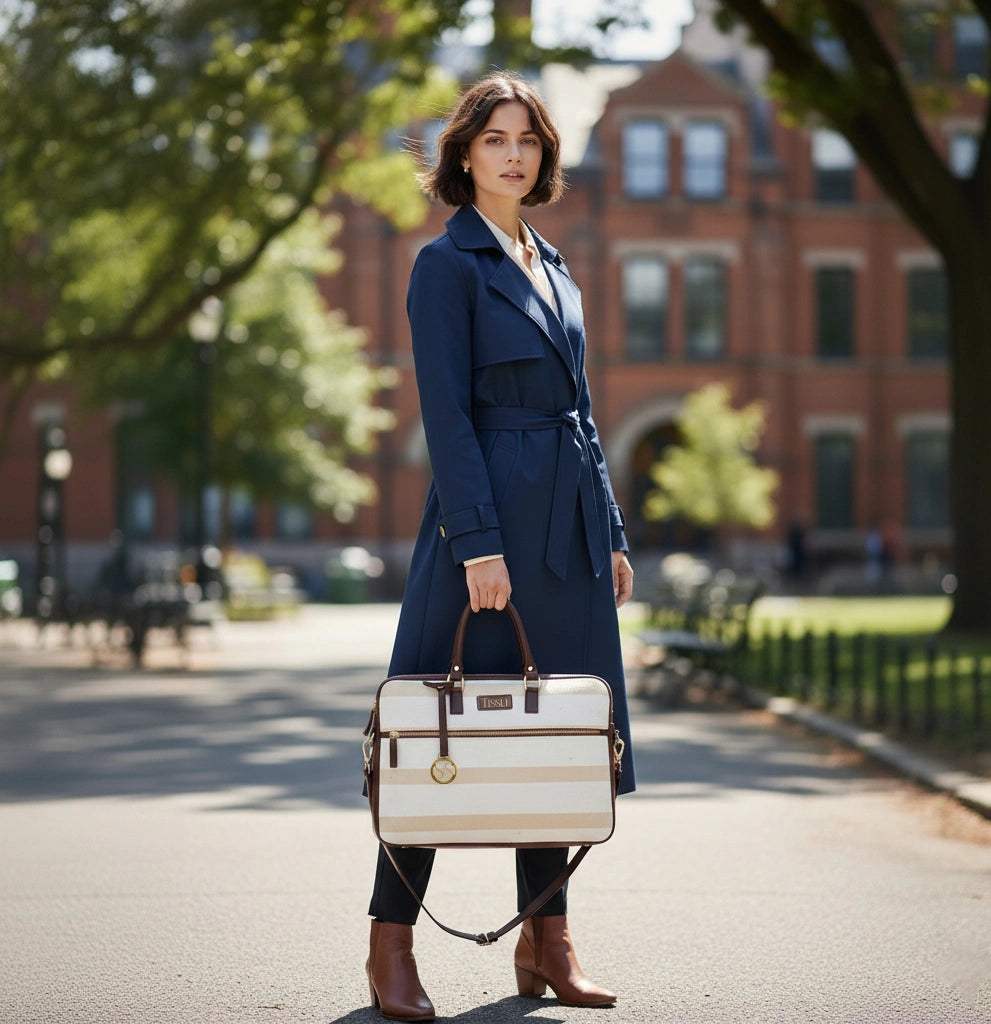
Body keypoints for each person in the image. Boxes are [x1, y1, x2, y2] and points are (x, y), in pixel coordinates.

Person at [365, 70, 636, 1022]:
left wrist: (610, 532)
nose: (513, 154)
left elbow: (584, 414)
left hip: (567, 532)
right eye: (494, 139)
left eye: (527, 139)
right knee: (436, 732)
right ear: (464, 155)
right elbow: (446, 416)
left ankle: (546, 939)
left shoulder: (553, 264)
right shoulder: (446, 265)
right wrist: (478, 544)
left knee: (558, 746)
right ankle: (389, 948)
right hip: (482, 529)